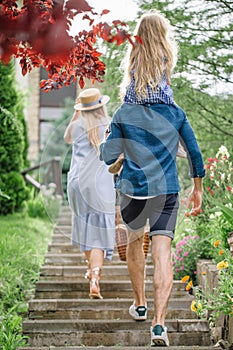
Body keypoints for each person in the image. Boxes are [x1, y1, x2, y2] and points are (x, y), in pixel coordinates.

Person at [100, 10, 205, 347]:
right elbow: (195, 154)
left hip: (132, 190)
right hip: (167, 192)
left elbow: (106, 155)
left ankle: (140, 304)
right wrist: (198, 188)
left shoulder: (123, 112)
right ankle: (159, 325)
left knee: (135, 246)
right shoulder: (175, 113)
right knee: (162, 253)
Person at [64, 88, 116, 300]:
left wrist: (77, 113)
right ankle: (95, 276)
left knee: (85, 227)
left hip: (76, 183)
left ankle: (90, 269)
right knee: (98, 233)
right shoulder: (109, 124)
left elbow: (67, 138)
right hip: (99, 184)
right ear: (101, 105)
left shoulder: (77, 126)